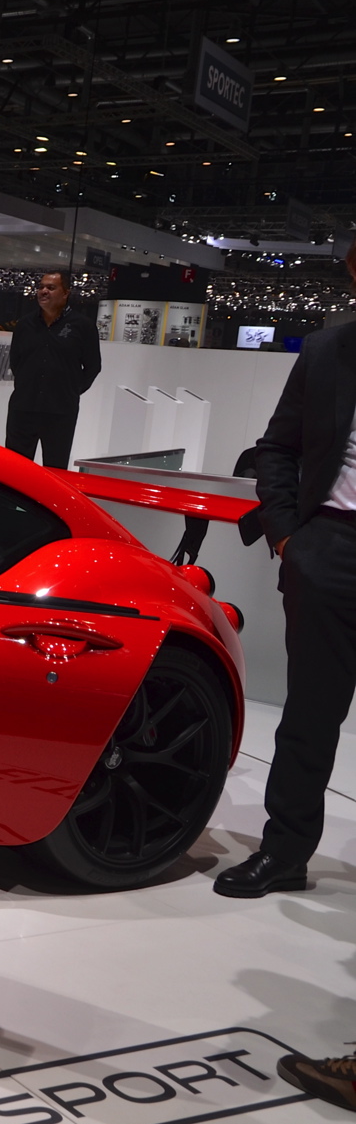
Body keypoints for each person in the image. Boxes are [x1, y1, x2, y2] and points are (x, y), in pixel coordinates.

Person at [215, 237, 356, 898]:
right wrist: (287, 538)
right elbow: (276, 448)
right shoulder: (327, 351)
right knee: (309, 716)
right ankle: (285, 854)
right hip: (328, 549)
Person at [5, 270, 100, 469]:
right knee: (14, 469)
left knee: (55, 470)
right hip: (23, 409)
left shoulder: (83, 326)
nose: (43, 291)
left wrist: (71, 390)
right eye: (41, 287)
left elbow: (93, 367)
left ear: (65, 293)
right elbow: (16, 362)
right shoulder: (24, 325)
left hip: (60, 412)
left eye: (51, 287)